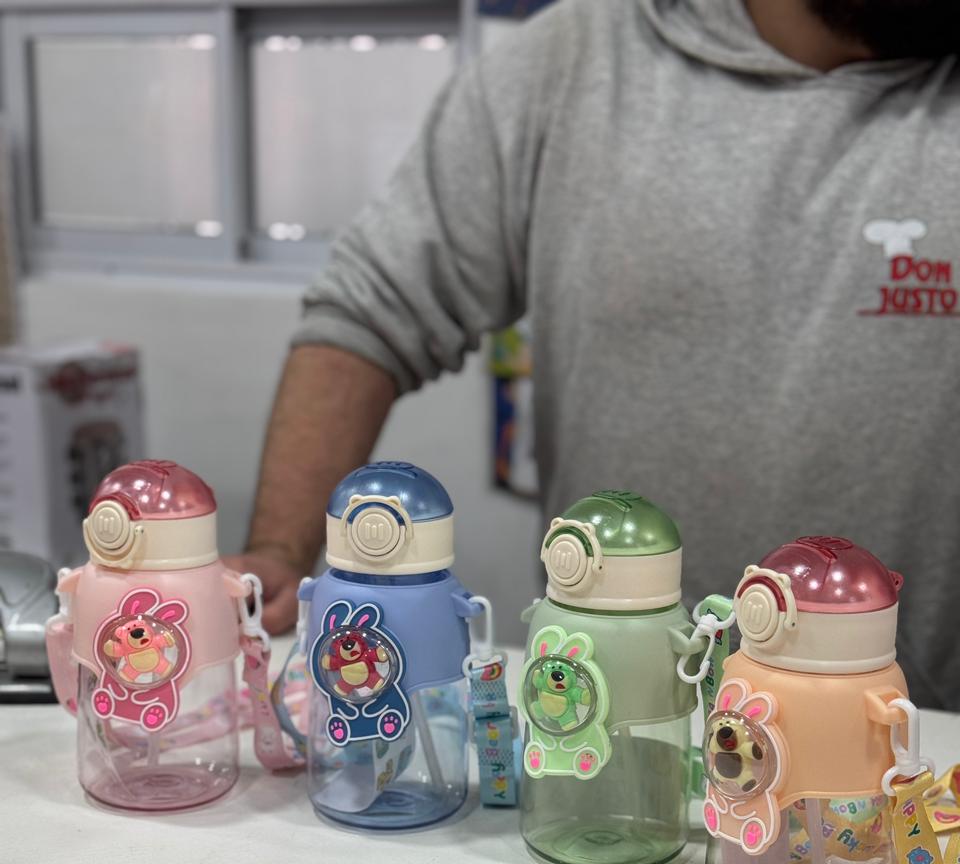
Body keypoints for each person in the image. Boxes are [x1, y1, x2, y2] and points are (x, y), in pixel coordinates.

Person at [233, 0, 960, 707]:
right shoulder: (570, 60)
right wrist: (279, 555)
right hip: (606, 724)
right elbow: (369, 312)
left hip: (917, 745)